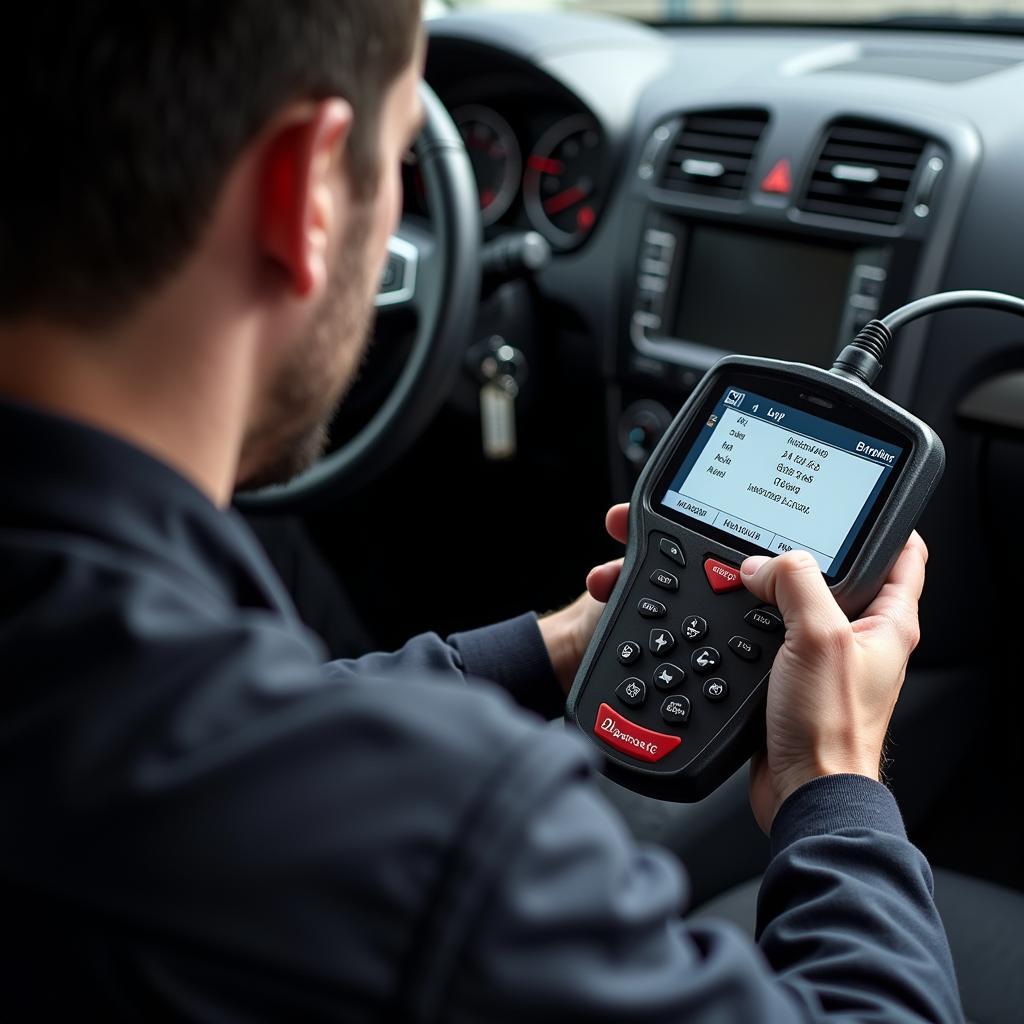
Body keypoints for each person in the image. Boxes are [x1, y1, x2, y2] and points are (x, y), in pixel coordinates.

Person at [0, 3, 963, 1021]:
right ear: (303, 193)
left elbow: (229, 712)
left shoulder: (105, 685)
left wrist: (559, 643)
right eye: (400, 158)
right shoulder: (453, 841)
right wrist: (835, 785)